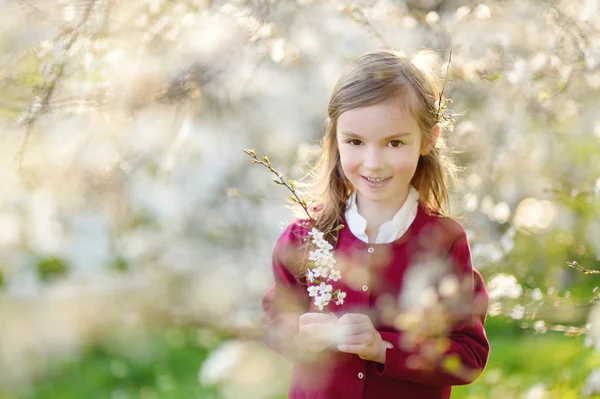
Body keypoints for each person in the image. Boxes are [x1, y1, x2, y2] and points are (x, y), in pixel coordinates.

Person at [261, 49, 490, 399]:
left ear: (428, 139)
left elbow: (468, 356)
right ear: (335, 140)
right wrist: (300, 335)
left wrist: (383, 347)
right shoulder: (306, 237)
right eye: (355, 142)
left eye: (394, 143)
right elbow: (276, 319)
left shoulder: (443, 242)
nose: (373, 162)